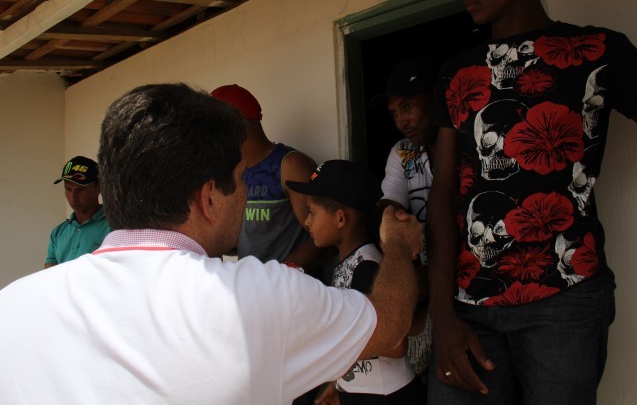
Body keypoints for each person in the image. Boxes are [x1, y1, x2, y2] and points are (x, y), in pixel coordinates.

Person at [0, 83, 423, 404]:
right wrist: (400, 248)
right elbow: (389, 323)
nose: (246, 191)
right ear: (207, 199)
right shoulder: (260, 297)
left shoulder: (13, 304)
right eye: (239, 180)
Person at [426, 0, 637, 404]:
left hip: (565, 294)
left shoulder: (597, 51)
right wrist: (441, 313)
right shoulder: (456, 73)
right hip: (469, 305)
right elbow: (443, 193)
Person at [287, 159, 426, 405]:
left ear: (340, 218)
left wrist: (326, 340)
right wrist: (340, 385)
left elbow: (395, 345)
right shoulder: (348, 262)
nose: (306, 221)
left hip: (387, 396)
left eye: (312, 212)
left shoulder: (367, 266)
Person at [210, 84, 328, 273]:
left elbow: (324, 239)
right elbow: (247, 239)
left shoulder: (289, 165)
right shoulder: (232, 172)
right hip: (254, 287)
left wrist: (276, 276)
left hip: (293, 288)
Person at [373, 57, 440, 380]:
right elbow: (390, 204)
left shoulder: (471, 142)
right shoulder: (403, 152)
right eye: (395, 113)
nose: (401, 121)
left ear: (435, 98)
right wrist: (391, 216)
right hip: (428, 282)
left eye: (408, 106)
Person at [45, 155, 110, 268]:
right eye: (68, 189)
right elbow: (50, 274)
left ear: (99, 187)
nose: (73, 197)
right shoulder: (58, 233)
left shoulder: (115, 226)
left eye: (80, 190)